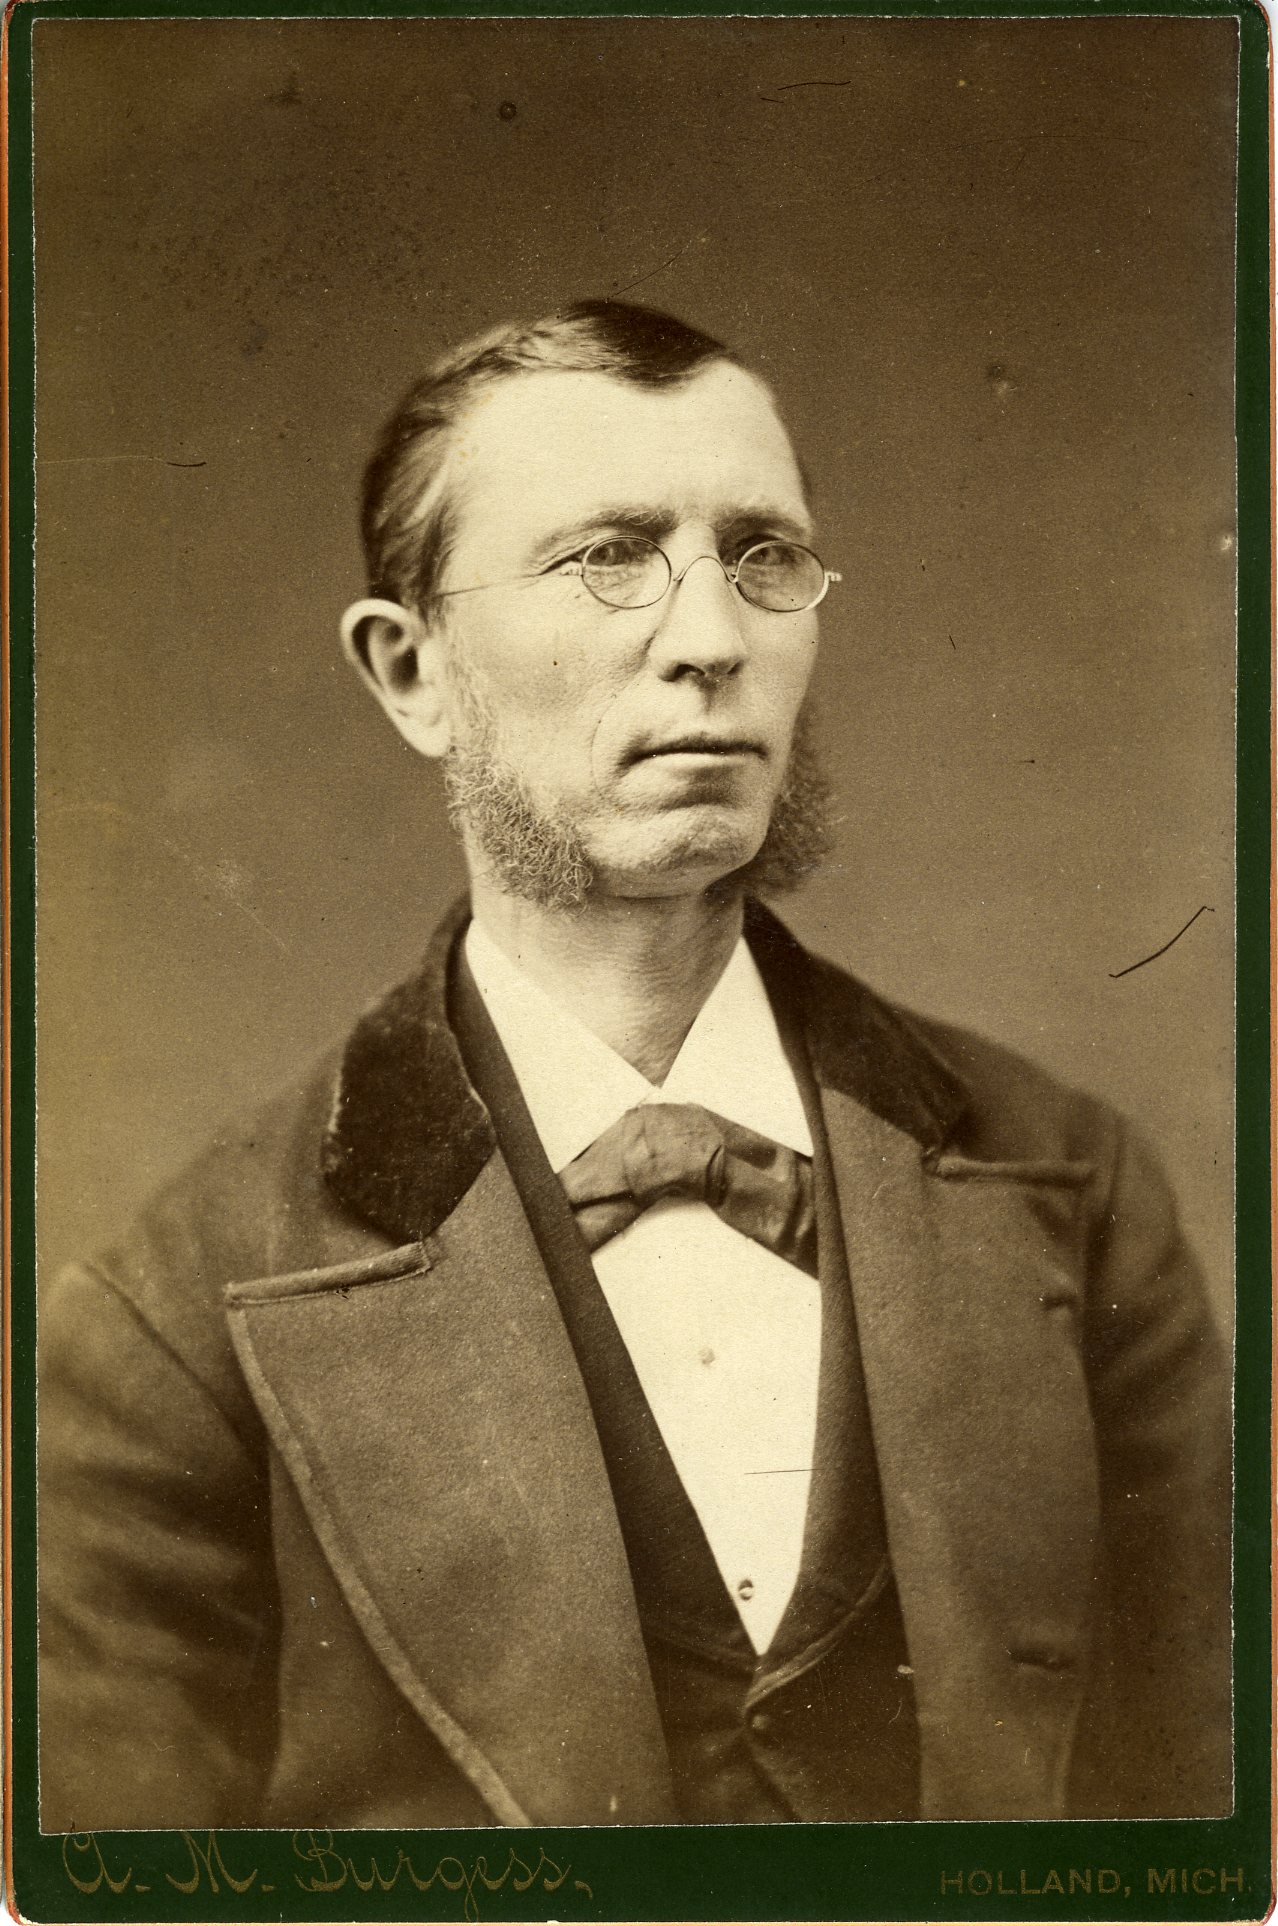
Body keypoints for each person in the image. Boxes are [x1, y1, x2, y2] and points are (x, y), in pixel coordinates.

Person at [38, 300, 1230, 1832]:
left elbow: (1200, 1833)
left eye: (762, 555)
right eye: (607, 558)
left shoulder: (1070, 1185)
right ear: (410, 671)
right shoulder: (172, 1319)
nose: (711, 639)